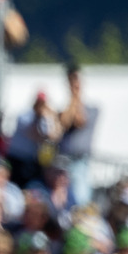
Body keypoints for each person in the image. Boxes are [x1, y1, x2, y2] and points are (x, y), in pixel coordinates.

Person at [57, 63, 99, 207]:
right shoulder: (64, 109)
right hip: (64, 161)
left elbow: (80, 120)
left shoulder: (93, 109)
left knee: (80, 199)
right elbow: (64, 122)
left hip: (80, 160)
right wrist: (72, 95)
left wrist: (75, 95)